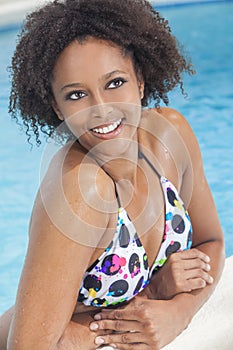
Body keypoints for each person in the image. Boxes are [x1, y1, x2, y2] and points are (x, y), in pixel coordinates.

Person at [0, 0, 225, 349]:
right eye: (77, 95)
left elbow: (212, 243)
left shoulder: (171, 134)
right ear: (57, 107)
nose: (101, 110)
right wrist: (155, 292)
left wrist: (180, 312)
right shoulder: (80, 192)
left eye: (115, 82)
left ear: (140, 82)